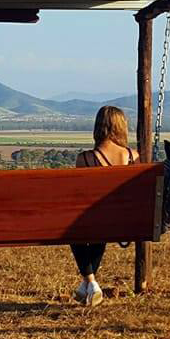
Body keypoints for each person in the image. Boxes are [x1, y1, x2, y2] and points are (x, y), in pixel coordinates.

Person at [69, 105, 137, 306]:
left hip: (96, 221)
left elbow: (79, 195)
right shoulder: (134, 156)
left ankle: (90, 282)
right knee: (102, 228)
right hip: (124, 223)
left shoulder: (86, 158)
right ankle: (87, 286)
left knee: (76, 231)